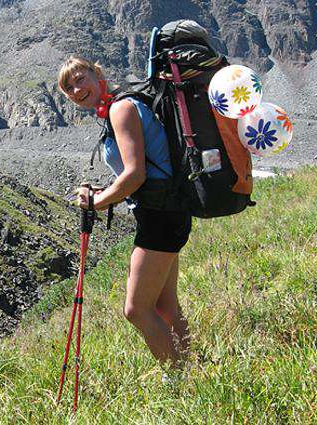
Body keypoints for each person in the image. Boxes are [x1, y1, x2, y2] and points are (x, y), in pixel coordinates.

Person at [58, 55, 192, 370]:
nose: (77, 89)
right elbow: (138, 171)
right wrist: (104, 192)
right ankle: (193, 366)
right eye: (69, 87)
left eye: (80, 78)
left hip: (159, 217)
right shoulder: (121, 105)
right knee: (166, 305)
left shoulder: (120, 109)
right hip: (168, 211)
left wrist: (96, 202)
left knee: (136, 310)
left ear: (97, 74)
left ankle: (179, 379)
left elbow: (135, 176)